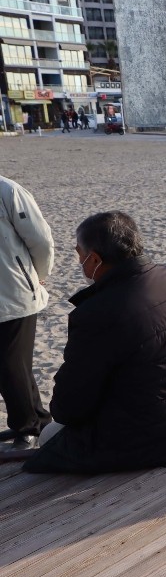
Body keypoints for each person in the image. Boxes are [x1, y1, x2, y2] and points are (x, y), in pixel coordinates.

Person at [23, 212, 166, 473]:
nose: (80, 260)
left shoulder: (97, 313)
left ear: (94, 258)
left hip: (150, 442)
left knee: (50, 436)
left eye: (79, 253)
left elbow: (68, 409)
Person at [0, 176, 54, 451]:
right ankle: (40, 420)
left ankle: (27, 427)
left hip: (14, 295)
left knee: (10, 366)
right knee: (14, 366)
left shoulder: (8, 190)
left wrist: (38, 277)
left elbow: (40, 240)